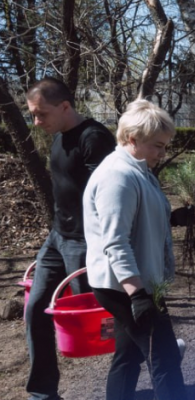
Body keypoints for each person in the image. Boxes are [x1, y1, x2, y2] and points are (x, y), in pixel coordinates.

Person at [83, 100, 188, 400]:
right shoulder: (117, 176)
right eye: (157, 146)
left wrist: (172, 219)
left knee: (128, 356)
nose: (162, 153)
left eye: (165, 146)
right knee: (164, 356)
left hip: (134, 282)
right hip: (124, 285)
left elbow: (135, 219)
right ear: (132, 138)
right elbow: (115, 241)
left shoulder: (137, 169)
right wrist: (138, 295)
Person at [24, 77, 116, 400]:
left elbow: (108, 196)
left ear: (65, 106)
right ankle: (42, 394)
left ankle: (159, 348)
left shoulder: (94, 139)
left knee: (102, 318)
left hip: (86, 242)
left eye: (41, 114)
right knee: (36, 310)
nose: (37, 122)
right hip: (57, 238)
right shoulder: (58, 137)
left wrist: (102, 245)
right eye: (33, 115)